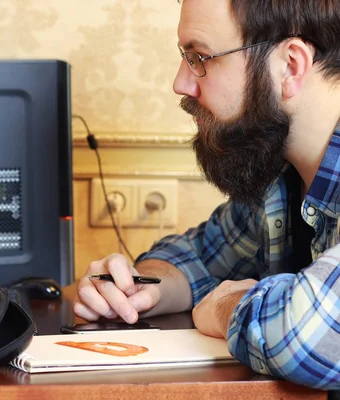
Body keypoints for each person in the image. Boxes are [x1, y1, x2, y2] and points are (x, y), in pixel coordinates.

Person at [73, 0, 340, 392]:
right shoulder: (280, 178)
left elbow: (306, 337)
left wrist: (223, 307)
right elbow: (202, 253)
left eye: (200, 57)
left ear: (291, 66)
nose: (181, 82)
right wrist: (141, 286)